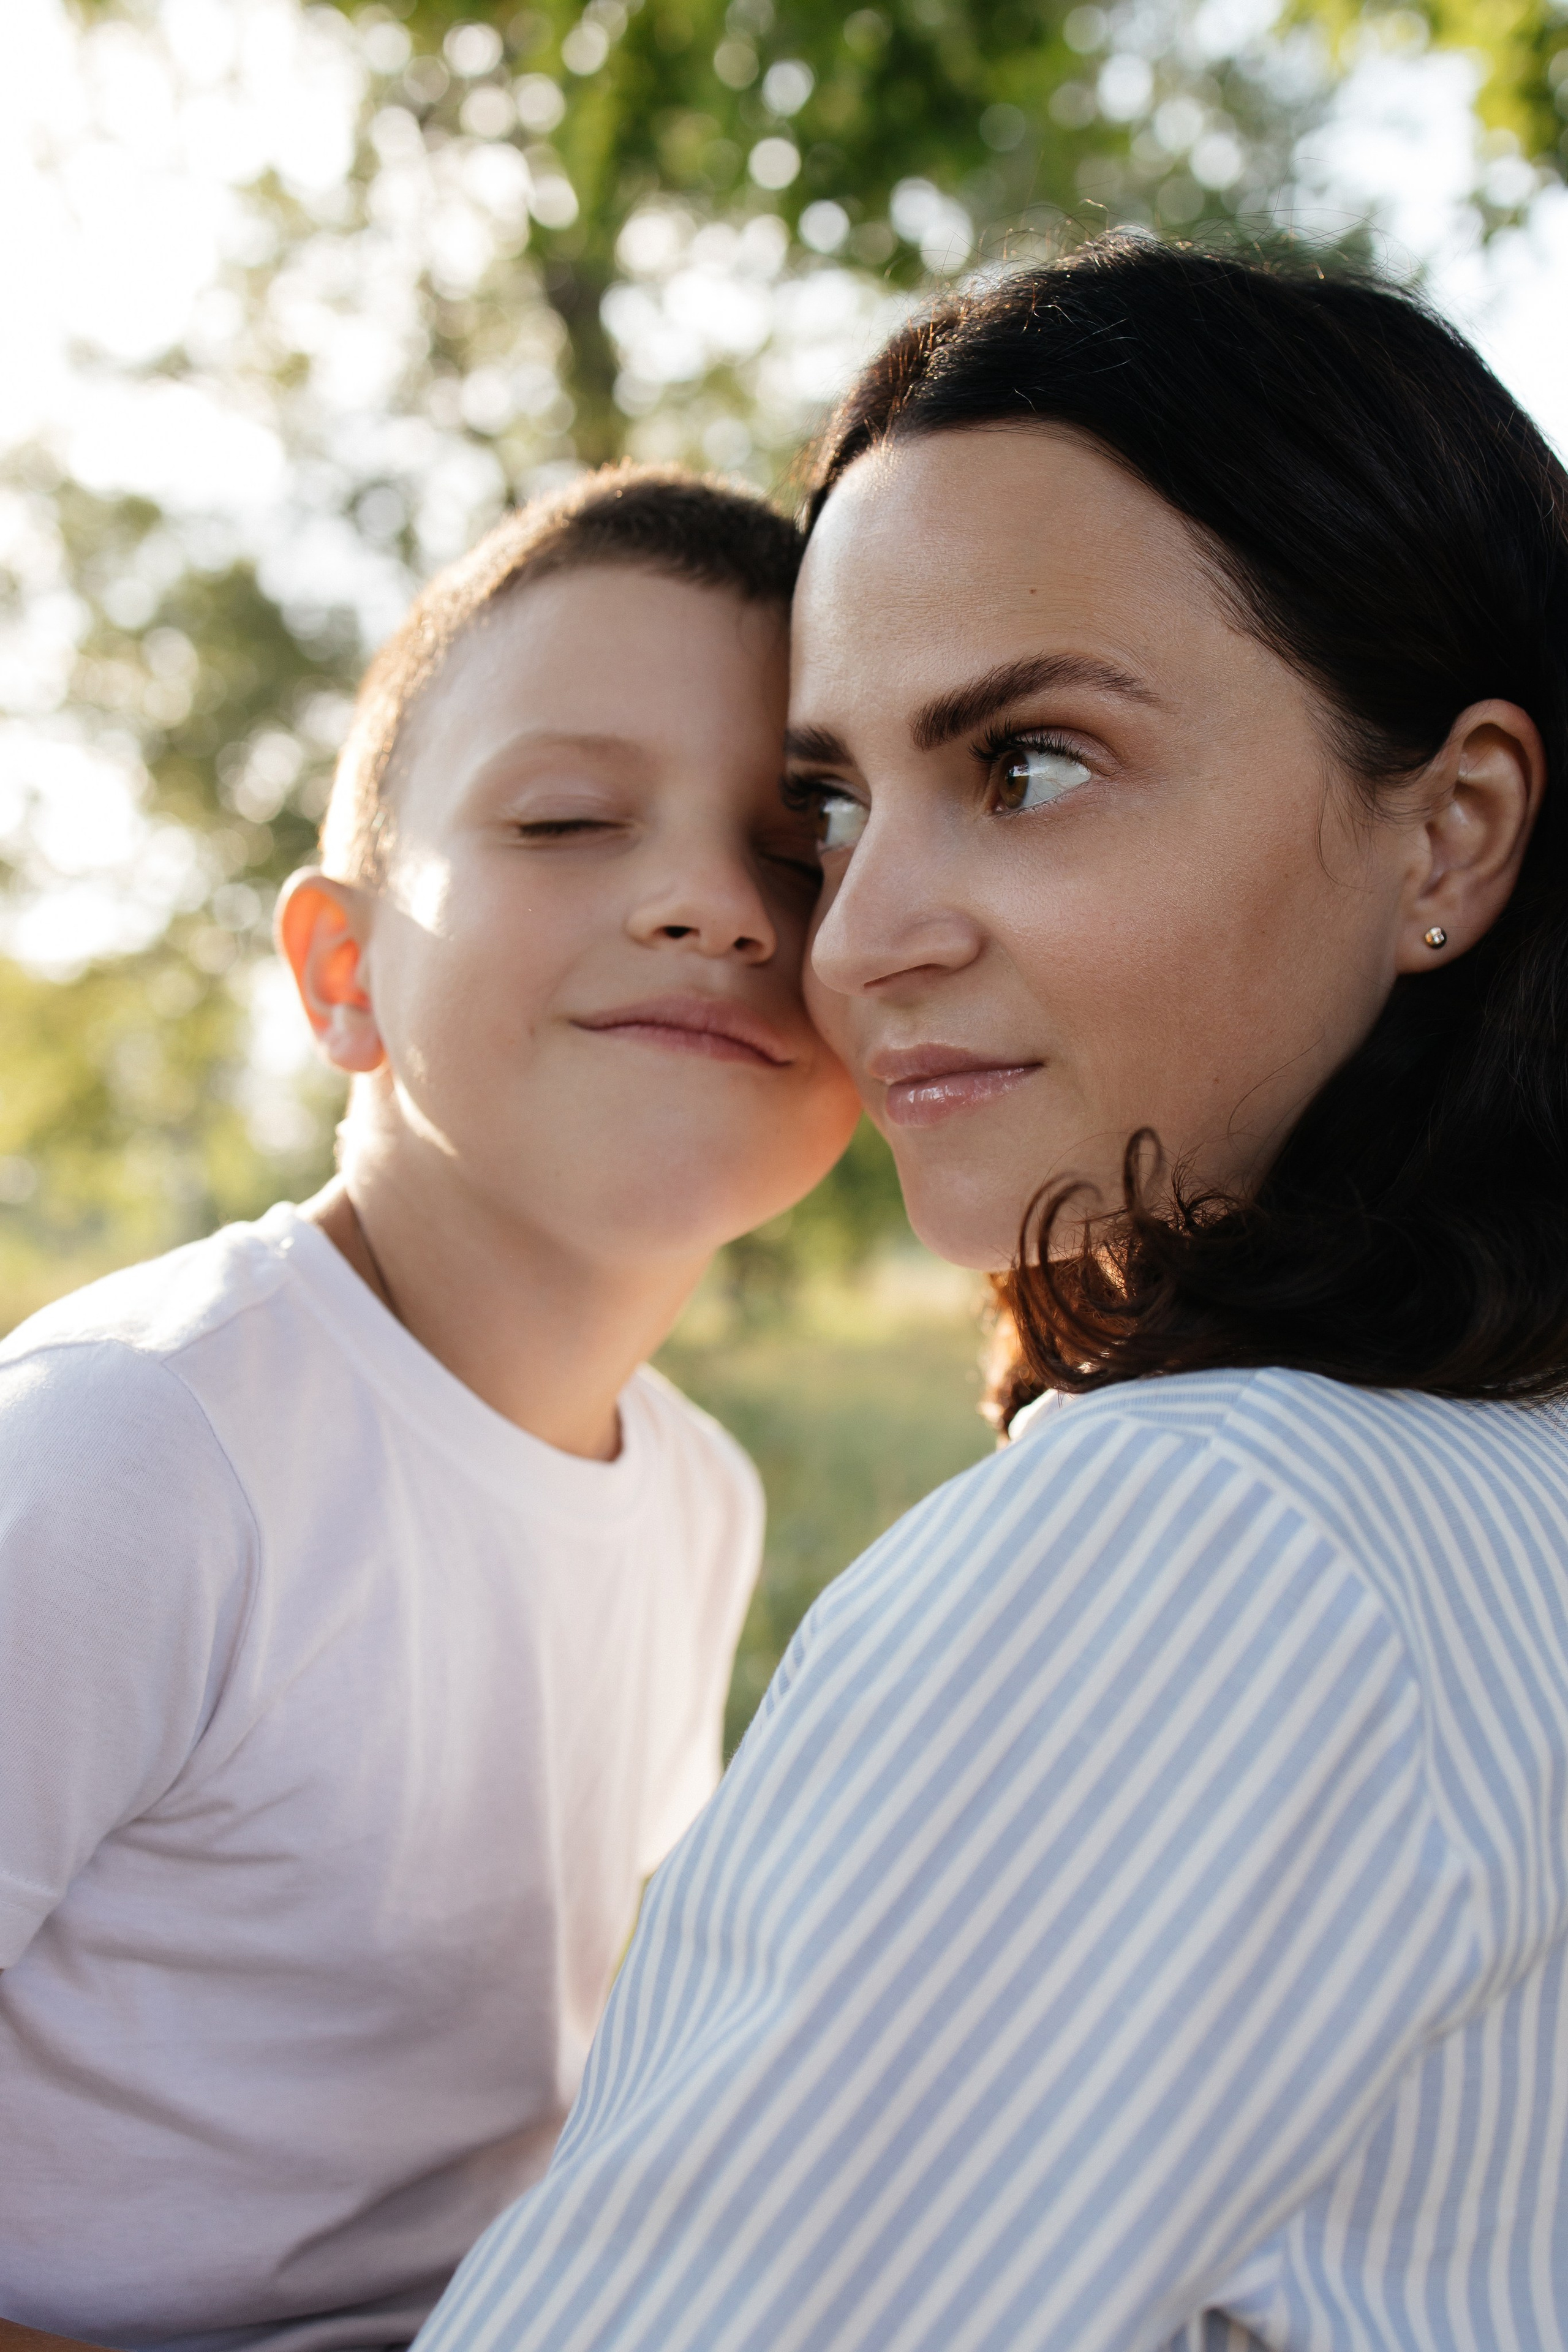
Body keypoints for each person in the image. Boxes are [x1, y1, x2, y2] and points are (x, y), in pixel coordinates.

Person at [413, 241, 1568, 2351]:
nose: (853, 942)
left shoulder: (1209, 1542)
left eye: (1027, 762)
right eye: (834, 809)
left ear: (1454, 834)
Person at [0, 466, 859, 2352]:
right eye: (567, 817)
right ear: (342, 971)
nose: (715, 901)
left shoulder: (696, 1501)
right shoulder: (133, 1453)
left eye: (801, 849)